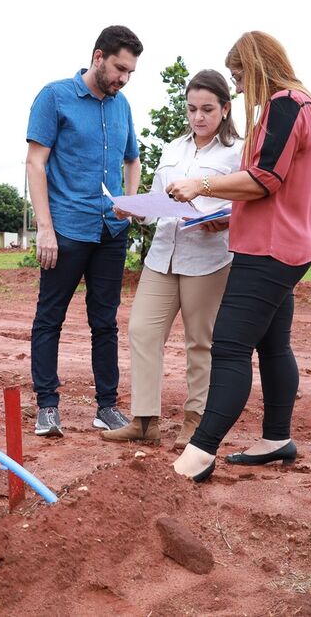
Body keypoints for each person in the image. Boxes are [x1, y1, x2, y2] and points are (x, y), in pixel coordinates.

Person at [166, 31, 311, 481]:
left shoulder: (285, 104)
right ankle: (276, 438)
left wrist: (203, 185)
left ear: (255, 68)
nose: (236, 86)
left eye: (238, 76)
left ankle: (200, 452)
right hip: (284, 244)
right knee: (274, 346)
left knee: (230, 348)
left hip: (268, 250)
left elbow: (265, 179)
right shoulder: (302, 105)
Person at [101, 70, 243, 449]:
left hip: (208, 259)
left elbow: (247, 201)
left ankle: (195, 423)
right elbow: (155, 202)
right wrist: (131, 209)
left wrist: (225, 220)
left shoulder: (237, 153)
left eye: (207, 109)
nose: (198, 117)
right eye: (192, 109)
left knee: (201, 343)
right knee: (142, 331)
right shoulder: (173, 148)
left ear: (226, 109)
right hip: (162, 255)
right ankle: (145, 421)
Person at [25, 25, 143, 438]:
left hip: (111, 231)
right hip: (68, 229)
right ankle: (47, 407)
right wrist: (45, 229)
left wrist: (130, 201)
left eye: (129, 72)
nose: (123, 78)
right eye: (118, 68)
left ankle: (106, 408)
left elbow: (132, 159)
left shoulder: (122, 105)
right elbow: (35, 163)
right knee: (49, 318)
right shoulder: (54, 97)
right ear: (98, 57)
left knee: (105, 321)